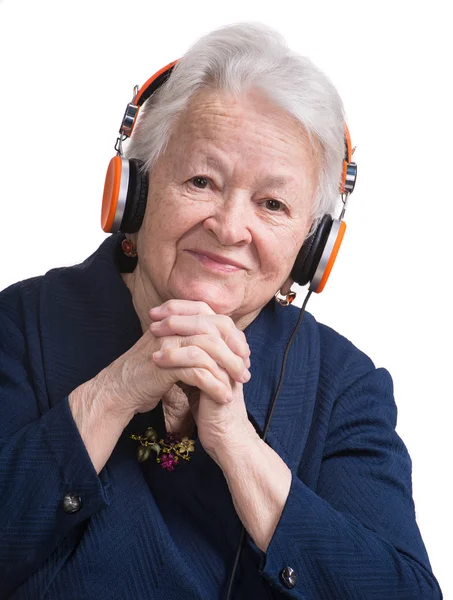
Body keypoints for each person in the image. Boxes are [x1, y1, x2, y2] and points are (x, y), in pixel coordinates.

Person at [0, 22, 442, 600]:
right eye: (202, 180)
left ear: (311, 247)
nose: (230, 228)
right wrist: (115, 391)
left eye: (273, 203)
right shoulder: (21, 324)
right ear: (137, 187)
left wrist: (239, 446)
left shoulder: (344, 385)